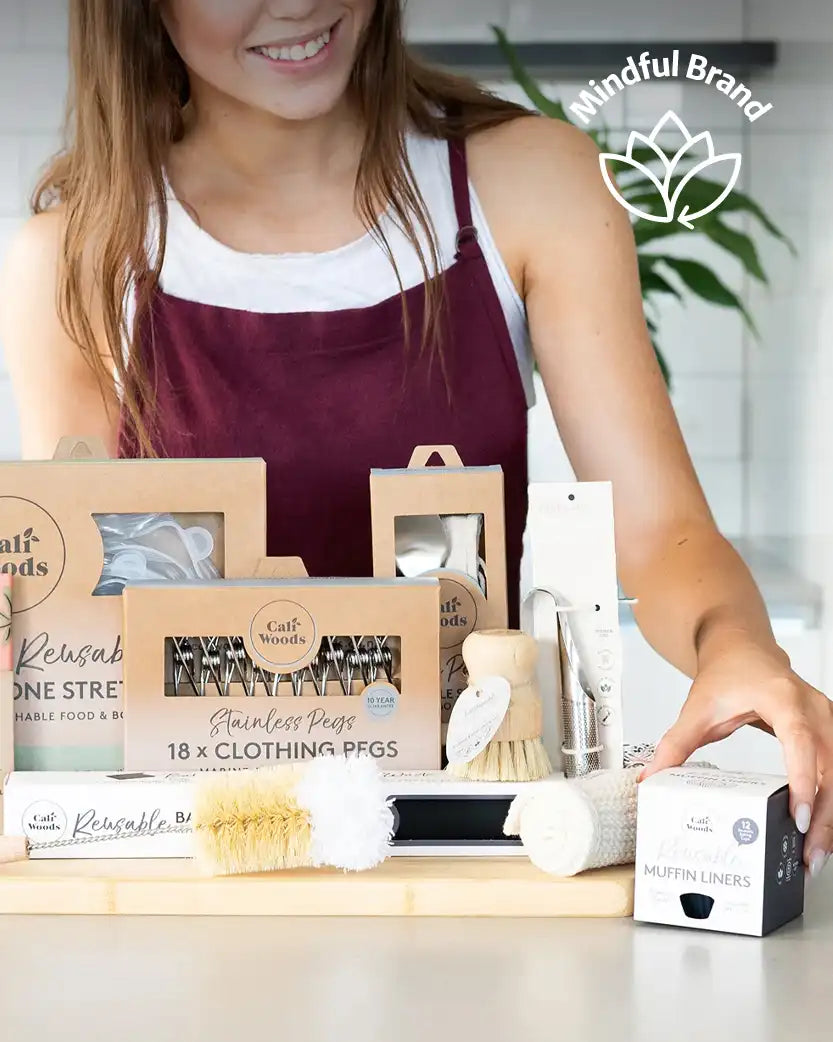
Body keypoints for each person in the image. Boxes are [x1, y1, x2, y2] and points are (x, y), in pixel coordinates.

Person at [1, 0, 831, 875]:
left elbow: (662, 535)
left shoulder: (527, 185)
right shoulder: (75, 257)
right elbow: (73, 625)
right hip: (199, 858)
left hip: (474, 843)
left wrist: (739, 648)